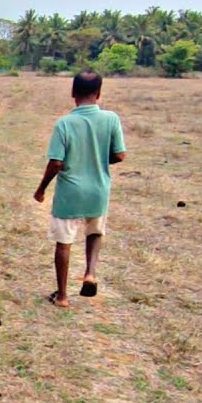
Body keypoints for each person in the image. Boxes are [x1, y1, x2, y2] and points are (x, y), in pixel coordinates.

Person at [33, 69, 126, 307]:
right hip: (98, 190)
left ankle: (62, 296)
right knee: (94, 232)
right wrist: (98, 159)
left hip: (70, 192)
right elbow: (119, 155)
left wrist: (41, 188)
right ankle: (90, 273)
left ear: (73, 92)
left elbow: (56, 162)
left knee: (64, 241)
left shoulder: (64, 123)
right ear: (99, 93)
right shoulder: (111, 119)